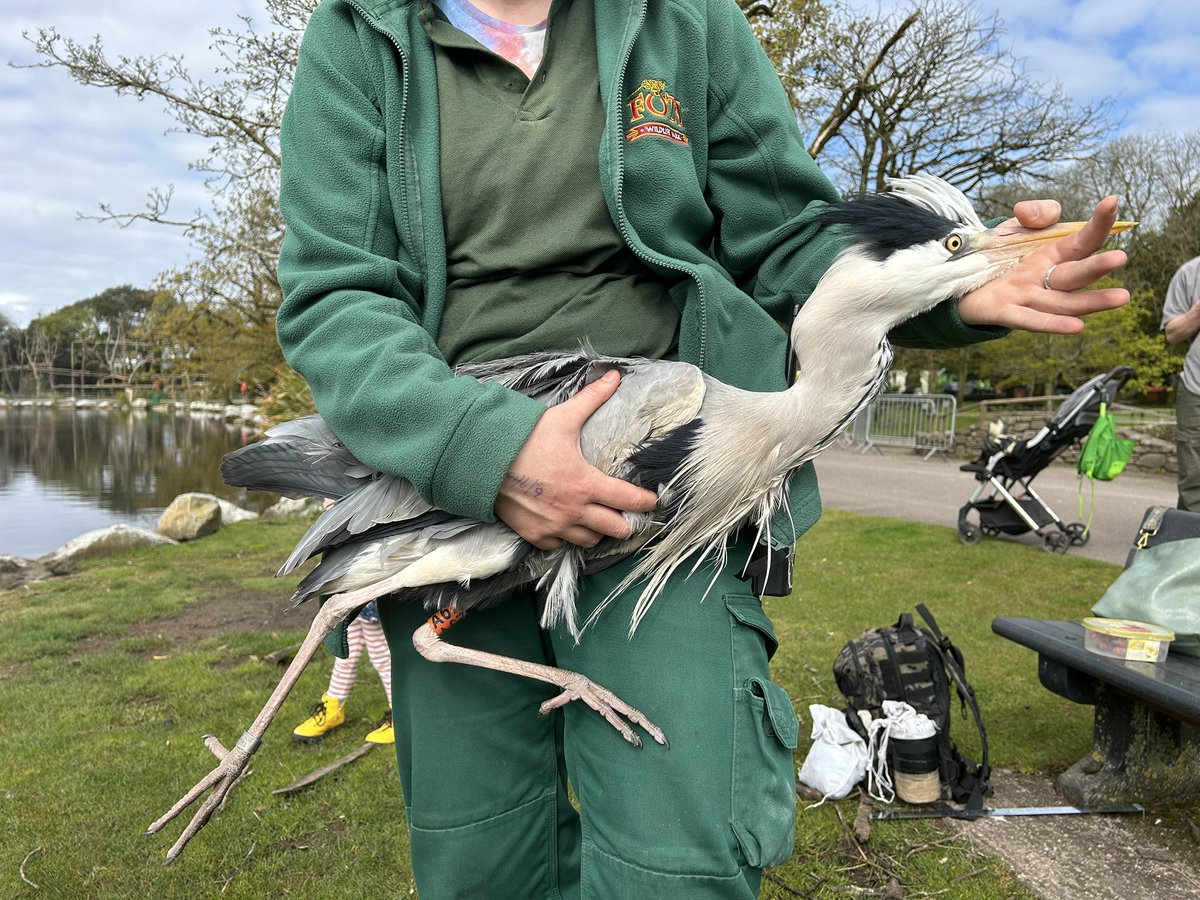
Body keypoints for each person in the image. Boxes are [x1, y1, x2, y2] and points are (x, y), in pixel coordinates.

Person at [274, 1, 1129, 896]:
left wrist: (954, 287)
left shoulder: (686, 20)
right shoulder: (358, 35)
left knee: (680, 860)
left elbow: (791, 245)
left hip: (676, 497)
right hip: (443, 485)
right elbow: (337, 295)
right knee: (479, 858)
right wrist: (487, 453)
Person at [292, 599, 395, 745]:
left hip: (369, 593)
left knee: (381, 656)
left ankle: (400, 716)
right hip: (351, 594)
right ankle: (334, 709)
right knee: (346, 652)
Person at [1162, 255, 1200, 512]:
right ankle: (1190, 543)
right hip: (1196, 389)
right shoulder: (1190, 273)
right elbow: (1172, 334)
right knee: (1193, 475)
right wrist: (1197, 312)